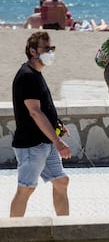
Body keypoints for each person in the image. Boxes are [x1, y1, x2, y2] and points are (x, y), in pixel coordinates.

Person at [10, 31, 71, 217]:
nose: (50, 52)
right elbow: (35, 112)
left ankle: (64, 228)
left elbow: (44, 107)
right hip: (31, 145)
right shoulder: (27, 75)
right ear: (33, 51)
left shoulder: (36, 73)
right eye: (46, 48)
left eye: (51, 48)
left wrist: (57, 124)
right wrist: (58, 142)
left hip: (46, 142)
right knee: (26, 189)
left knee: (61, 181)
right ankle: (13, 232)